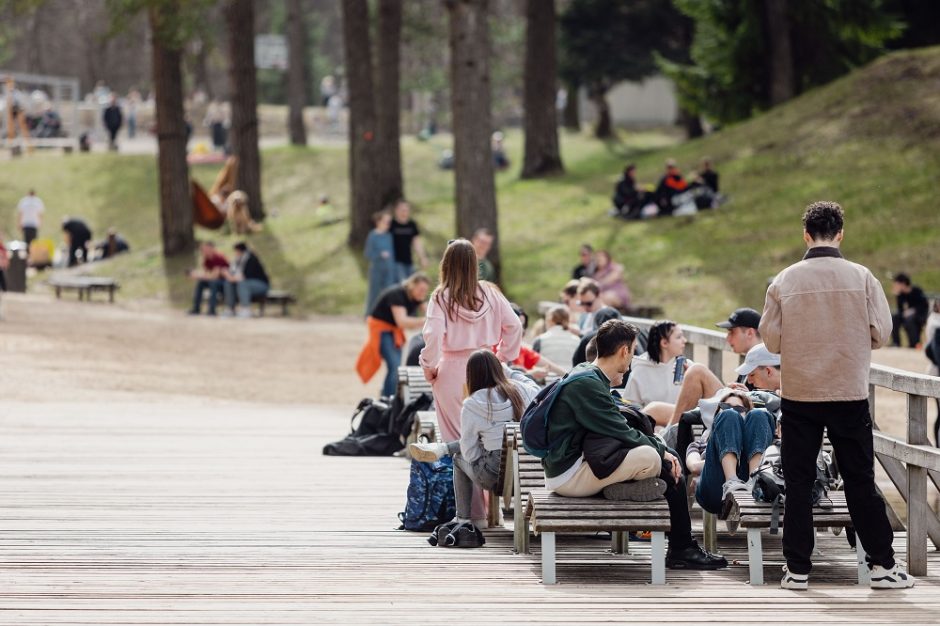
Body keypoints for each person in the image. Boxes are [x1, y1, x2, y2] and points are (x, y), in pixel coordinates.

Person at [760, 200, 913, 589]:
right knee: (860, 479)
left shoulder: (784, 281)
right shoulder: (863, 278)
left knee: (797, 481)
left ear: (806, 235)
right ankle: (882, 566)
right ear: (841, 233)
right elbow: (881, 333)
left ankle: (797, 570)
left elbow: (772, 340)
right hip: (847, 392)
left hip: (800, 394)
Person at [542, 319, 727, 570]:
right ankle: (682, 547)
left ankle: (682, 545)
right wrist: (660, 451)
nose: (632, 358)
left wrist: (663, 450)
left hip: (579, 466)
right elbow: (619, 430)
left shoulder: (587, 375)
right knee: (654, 458)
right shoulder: (587, 384)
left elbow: (617, 429)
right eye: (632, 350)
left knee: (664, 455)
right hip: (570, 475)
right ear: (624, 351)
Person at [419, 239, 522, 521]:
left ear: (446, 264)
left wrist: (429, 366)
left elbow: (432, 336)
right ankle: (494, 514)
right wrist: (503, 358)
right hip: (488, 367)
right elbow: (514, 325)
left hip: (452, 370)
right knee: (490, 437)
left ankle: (472, 515)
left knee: (459, 441)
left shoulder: (441, 297)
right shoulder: (490, 293)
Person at [408, 350, 541, 547]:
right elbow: (534, 385)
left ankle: (462, 518)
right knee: (487, 443)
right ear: (499, 370)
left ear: (471, 375)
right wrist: (508, 371)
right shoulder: (522, 390)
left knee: (459, 459)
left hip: (496, 478)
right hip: (532, 473)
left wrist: (483, 448)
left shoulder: (473, 403)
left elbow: (469, 453)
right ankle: (442, 448)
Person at [687, 389, 776, 519]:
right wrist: (722, 456)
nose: (733, 410)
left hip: (749, 482)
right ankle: (731, 480)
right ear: (718, 412)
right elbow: (693, 466)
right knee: (729, 416)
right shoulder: (700, 444)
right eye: (725, 406)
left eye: (739, 409)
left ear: (747, 415)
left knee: (759, 414)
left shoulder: (755, 435)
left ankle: (755, 479)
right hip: (714, 489)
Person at [357, 274, 430, 397]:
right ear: (412, 286)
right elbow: (402, 321)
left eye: (425, 291)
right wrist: (426, 320)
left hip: (394, 332)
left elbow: (429, 312)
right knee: (395, 367)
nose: (423, 293)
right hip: (382, 330)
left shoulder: (417, 296)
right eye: (421, 290)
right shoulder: (397, 294)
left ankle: (387, 394)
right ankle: (388, 398)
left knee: (396, 368)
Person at [623, 320, 690, 410]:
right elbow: (631, 409)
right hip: (650, 423)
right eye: (678, 337)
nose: (684, 340)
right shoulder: (640, 371)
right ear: (664, 343)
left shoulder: (687, 367)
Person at [221, 242, 270, 318]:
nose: (235, 253)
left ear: (240, 251)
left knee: (242, 283)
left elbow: (244, 277)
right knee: (228, 283)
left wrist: (230, 277)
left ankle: (246, 309)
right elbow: (233, 273)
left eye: (236, 251)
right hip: (245, 283)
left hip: (260, 285)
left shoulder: (251, 259)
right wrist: (228, 275)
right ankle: (230, 309)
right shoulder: (237, 260)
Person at [364, 210, 396, 315]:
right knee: (374, 294)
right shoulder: (372, 236)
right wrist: (380, 254)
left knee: (389, 294)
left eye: (389, 222)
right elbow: (368, 254)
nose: (388, 224)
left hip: (389, 270)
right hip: (376, 270)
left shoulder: (389, 236)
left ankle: (385, 316)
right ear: (378, 222)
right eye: (385, 222)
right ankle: (369, 315)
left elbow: (392, 255)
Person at [188, 241, 230, 316]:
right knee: (201, 283)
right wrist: (196, 274)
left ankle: (212, 310)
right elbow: (206, 273)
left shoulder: (218, 257)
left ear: (211, 248)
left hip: (225, 281)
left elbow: (215, 276)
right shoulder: (207, 259)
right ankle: (196, 308)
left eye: (205, 248)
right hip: (214, 280)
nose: (203, 250)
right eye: (202, 249)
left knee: (213, 283)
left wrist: (199, 276)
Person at [390, 201, 428, 281]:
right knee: (403, 284)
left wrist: (422, 258)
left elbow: (416, 242)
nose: (404, 213)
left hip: (409, 261)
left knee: (410, 285)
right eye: (402, 210)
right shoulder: (391, 224)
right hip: (395, 262)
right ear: (396, 211)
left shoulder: (412, 225)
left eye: (406, 210)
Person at [890, 273, 929, 348]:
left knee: (909, 320)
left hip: (919, 315)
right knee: (894, 317)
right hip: (907, 315)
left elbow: (923, 306)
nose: (895, 286)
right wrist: (898, 296)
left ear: (903, 284)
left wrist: (912, 311)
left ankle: (914, 344)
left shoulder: (917, 291)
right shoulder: (901, 294)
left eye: (897, 284)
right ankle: (896, 342)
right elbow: (900, 309)